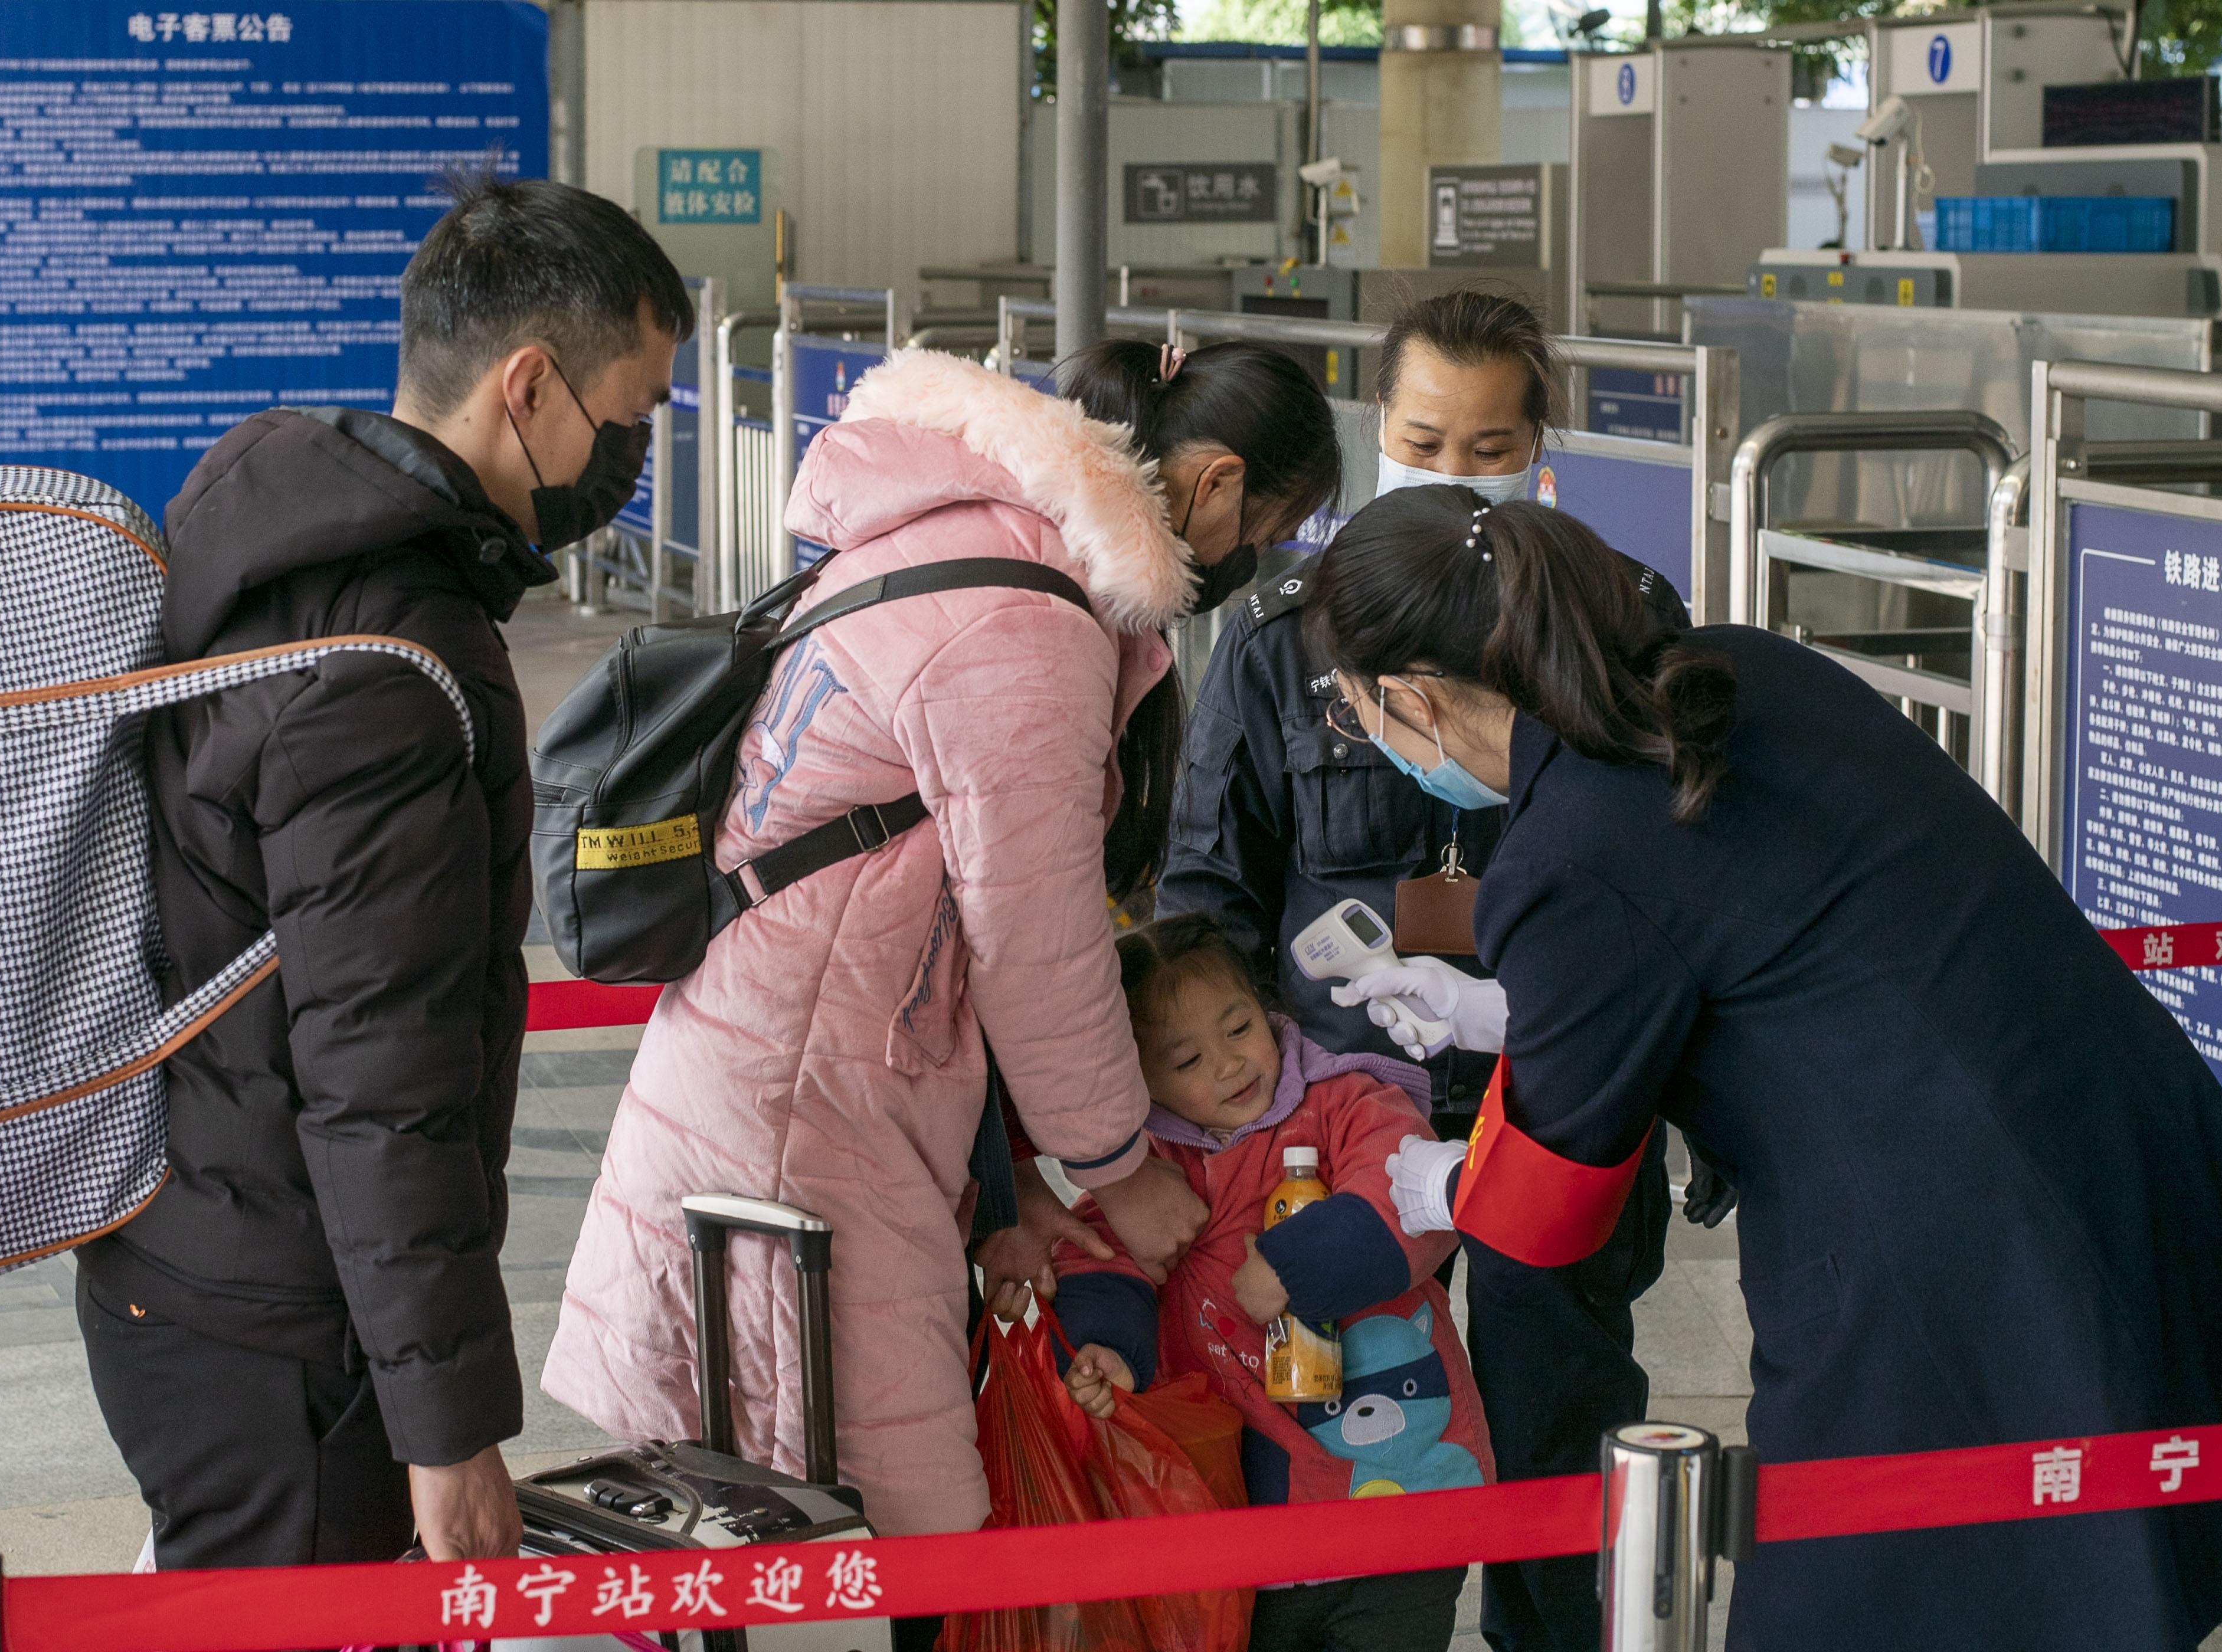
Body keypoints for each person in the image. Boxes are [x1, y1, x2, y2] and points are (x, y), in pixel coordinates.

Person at [1315, 484, 2222, 1650]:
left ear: (1414, 696)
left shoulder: (1564, 849)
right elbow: (1735, 934)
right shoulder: (1732, 669)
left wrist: (1442, 1178)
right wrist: (1503, 1010)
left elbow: (1551, 1206)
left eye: (1356, 716)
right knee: (2080, 1568)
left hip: (1944, 1238)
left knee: (1888, 1596)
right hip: (2097, 1116)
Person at [545, 340, 1341, 1595]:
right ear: (1223, 485)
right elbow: (1036, 941)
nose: (1260, 559)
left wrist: (1007, 1183)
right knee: (869, 1541)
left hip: (798, 1078)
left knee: (787, 1526)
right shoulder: (1022, 625)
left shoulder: (970, 538)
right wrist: (1118, 1170)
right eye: (1277, 524)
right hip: (807, 1126)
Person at [72, 171, 688, 1569]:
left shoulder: (271, 549)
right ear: (529, 388)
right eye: (631, 415)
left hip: (196, 1256)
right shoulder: (388, 667)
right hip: (289, 1326)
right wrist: (447, 1430)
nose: (631, 455)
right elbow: (378, 1070)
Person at [1150, 287, 1695, 1652]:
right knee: (1333, 1427)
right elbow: (1212, 884)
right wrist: (1218, 1115)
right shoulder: (1284, 632)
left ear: (1544, 448)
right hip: (1326, 1128)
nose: (1454, 477)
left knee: (1555, 1425)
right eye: (1424, 440)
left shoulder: (1619, 622)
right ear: (1376, 430)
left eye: (1490, 449)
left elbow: (1676, 880)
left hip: (1553, 1100)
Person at [1056, 914, 1491, 1652]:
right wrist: (1110, 1347)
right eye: (1187, 1058)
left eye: (1239, 1028)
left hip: (1399, 1497)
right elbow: (1097, 1251)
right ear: (1136, 1078)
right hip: (1251, 1513)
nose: (1229, 1066)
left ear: (1269, 1011)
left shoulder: (1348, 1101)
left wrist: (1293, 1269)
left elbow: (1409, 1194)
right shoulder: (1146, 1169)